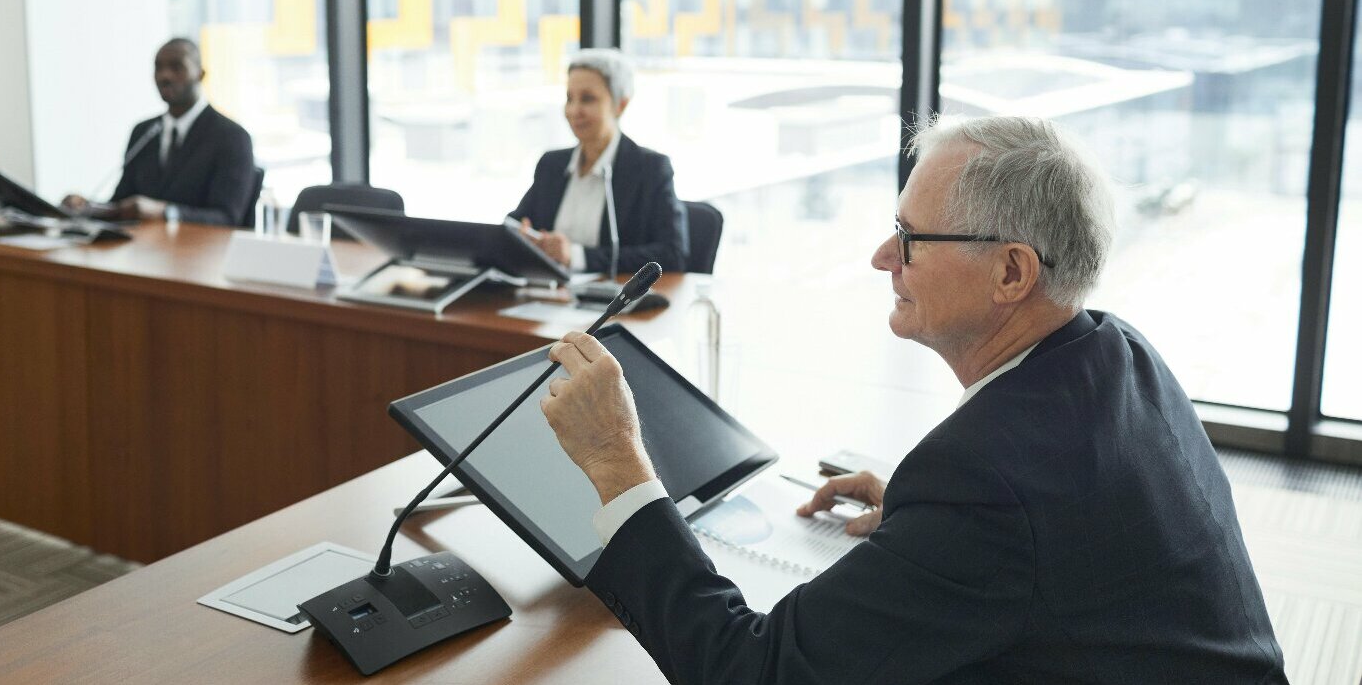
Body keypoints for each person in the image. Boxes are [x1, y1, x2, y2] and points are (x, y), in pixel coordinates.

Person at [538, 116, 1287, 683]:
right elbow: (1070, 528)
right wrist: (925, 525)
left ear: (1012, 272)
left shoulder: (988, 483)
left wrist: (616, 460)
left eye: (910, 237)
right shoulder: (1117, 352)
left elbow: (750, 671)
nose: (881, 257)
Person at [509, 49, 689, 274]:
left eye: (587, 99)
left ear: (620, 105)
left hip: (612, 294)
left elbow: (672, 254)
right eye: (569, 98)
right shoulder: (551, 164)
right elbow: (514, 224)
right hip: (548, 290)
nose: (574, 110)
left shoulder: (650, 169)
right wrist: (521, 235)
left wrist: (577, 256)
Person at [62, 38, 257, 226]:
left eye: (176, 67)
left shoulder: (232, 137)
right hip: (142, 247)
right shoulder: (143, 131)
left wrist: (165, 212)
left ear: (200, 74)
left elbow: (227, 217)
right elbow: (121, 203)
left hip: (199, 248)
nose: (165, 76)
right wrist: (88, 207)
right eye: (158, 67)